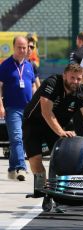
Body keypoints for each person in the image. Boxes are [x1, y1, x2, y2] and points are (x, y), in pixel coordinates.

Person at [22, 63, 83, 197]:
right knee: (36, 160)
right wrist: (61, 132)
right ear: (64, 75)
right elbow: (46, 112)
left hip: (55, 126)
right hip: (33, 123)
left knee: (60, 160)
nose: (75, 82)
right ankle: (41, 189)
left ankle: (55, 194)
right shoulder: (52, 83)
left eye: (78, 78)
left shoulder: (80, 92)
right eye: (72, 78)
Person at [0, 36, 36, 181]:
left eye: (24, 47)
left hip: (28, 108)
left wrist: (36, 105)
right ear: (14, 47)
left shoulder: (29, 65)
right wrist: (0, 105)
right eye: (19, 47)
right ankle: (21, 167)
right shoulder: (5, 65)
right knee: (16, 137)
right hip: (12, 108)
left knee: (22, 138)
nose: (22, 50)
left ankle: (12, 168)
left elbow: (33, 85)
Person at [69, 31, 83, 137]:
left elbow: (72, 72)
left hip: (80, 92)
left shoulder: (76, 53)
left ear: (79, 40)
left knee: (80, 123)